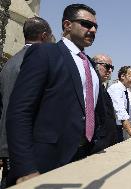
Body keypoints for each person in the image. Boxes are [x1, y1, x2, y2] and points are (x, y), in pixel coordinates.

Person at [6, 4, 106, 186]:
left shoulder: (90, 65)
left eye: (95, 27)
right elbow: (19, 112)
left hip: (86, 158)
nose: (92, 30)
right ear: (67, 25)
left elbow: (97, 111)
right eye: (86, 24)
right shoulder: (44, 53)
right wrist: (25, 168)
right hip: (46, 162)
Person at [0, 17, 53, 189]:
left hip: (9, 145)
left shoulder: (9, 63)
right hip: (28, 148)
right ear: (45, 36)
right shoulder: (37, 63)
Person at [92, 54, 117, 152]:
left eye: (112, 68)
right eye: (107, 66)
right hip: (97, 142)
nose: (110, 70)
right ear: (95, 65)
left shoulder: (101, 87)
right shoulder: (91, 87)